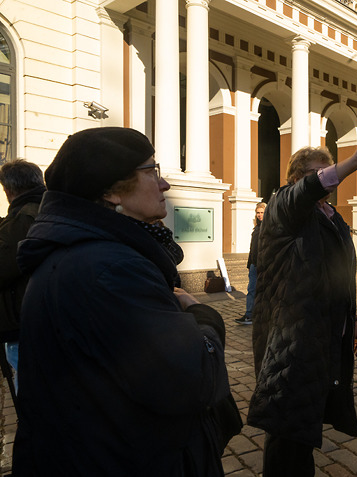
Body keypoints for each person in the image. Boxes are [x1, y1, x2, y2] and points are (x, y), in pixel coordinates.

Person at [12, 127, 241, 476]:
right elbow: (194, 378)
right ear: (111, 190)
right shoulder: (112, 269)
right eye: (152, 171)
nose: (164, 184)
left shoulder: (88, 254)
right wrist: (201, 312)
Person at [248, 135, 357, 476]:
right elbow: (305, 192)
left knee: (304, 424)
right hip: (290, 339)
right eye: (316, 172)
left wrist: (351, 320)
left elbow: (341, 275)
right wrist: (353, 162)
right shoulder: (283, 206)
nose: (327, 176)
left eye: (328, 169)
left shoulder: (331, 216)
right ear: (296, 179)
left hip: (322, 335)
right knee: (286, 427)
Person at [0, 160, 46, 397]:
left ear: (8, 190)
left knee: (28, 387)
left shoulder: (24, 217)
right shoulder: (46, 208)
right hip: (38, 316)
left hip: (25, 321)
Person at [236, 202, 266, 325]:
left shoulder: (269, 227)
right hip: (254, 265)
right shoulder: (257, 228)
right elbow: (252, 248)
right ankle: (249, 315)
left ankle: (260, 315)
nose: (259, 215)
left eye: (262, 213)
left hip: (263, 265)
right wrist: (250, 264)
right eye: (258, 213)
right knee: (252, 290)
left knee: (262, 291)